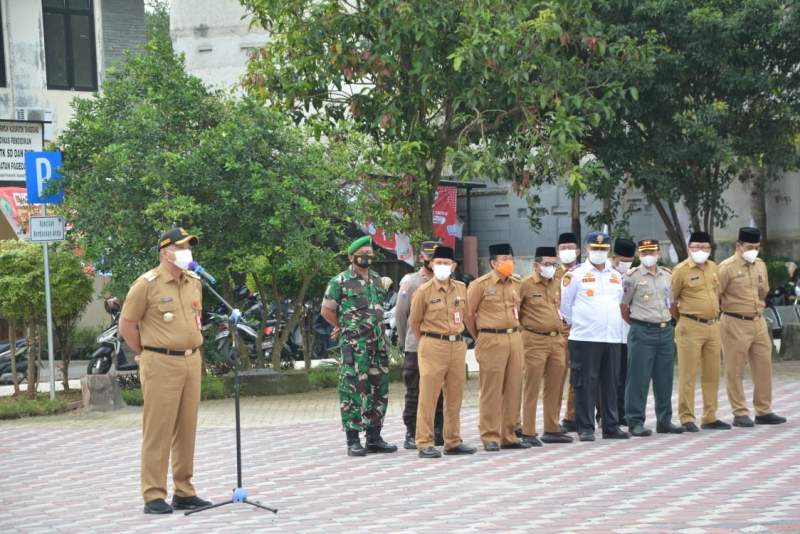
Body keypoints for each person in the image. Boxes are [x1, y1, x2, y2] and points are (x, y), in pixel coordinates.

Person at [119, 227, 211, 514]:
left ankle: (184, 490)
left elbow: (195, 320)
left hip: (191, 360)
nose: (187, 252)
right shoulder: (147, 284)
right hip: (160, 362)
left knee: (187, 427)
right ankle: (153, 494)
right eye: (181, 247)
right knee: (158, 429)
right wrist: (144, 353)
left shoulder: (194, 281)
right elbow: (127, 324)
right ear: (165, 252)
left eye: (189, 247)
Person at [321, 236, 398, 456]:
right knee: (353, 390)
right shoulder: (340, 281)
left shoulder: (376, 280)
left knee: (378, 389)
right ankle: (353, 439)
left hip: (377, 344)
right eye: (362, 253)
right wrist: (343, 326)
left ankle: (374, 437)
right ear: (351, 257)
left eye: (370, 252)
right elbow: (326, 310)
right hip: (355, 345)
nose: (367, 256)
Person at [408, 245, 478, 458]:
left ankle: (453, 441)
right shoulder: (423, 291)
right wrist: (426, 344)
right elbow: (415, 322)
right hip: (433, 343)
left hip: (456, 345)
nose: (442, 267)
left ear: (454, 265)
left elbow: (466, 316)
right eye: (438, 263)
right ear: (431, 264)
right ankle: (424, 442)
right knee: (428, 396)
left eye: (446, 263)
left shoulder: (460, 288)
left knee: (455, 395)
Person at [560, 231, 629, 441]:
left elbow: (619, 303)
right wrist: (582, 323)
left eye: (603, 249)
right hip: (585, 337)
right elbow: (565, 307)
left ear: (608, 250)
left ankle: (611, 425)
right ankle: (585, 426)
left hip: (612, 338)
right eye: (595, 248)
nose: (599, 252)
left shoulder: (616, 276)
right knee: (584, 383)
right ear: (587, 249)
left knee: (611, 382)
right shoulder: (575, 275)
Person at [718, 227, 787, 427]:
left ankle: (763, 410)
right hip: (734, 321)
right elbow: (716, 295)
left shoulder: (760, 265)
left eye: (756, 247)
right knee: (735, 368)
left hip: (758, 321)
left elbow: (763, 291)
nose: (753, 251)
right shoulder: (726, 268)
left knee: (764, 366)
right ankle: (739, 412)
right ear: (738, 246)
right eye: (749, 247)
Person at [465, 243, 531, 451]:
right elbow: (468, 314)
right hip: (491, 338)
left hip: (514, 337)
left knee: (514, 387)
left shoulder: (516, 283)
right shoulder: (480, 285)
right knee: (491, 390)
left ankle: (508, 435)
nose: (508, 263)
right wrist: (481, 336)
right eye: (503, 259)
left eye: (510, 258)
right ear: (493, 263)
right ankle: (490, 436)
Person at [621, 239, 685, 436]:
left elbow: (673, 303)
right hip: (642, 330)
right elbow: (624, 308)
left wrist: (670, 322)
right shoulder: (632, 277)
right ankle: (635, 421)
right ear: (640, 255)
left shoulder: (667, 275)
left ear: (658, 253)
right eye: (645, 252)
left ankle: (664, 420)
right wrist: (639, 325)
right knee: (638, 378)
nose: (649, 255)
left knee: (664, 378)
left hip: (665, 330)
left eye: (652, 252)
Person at [671, 231, 730, 432]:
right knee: (688, 374)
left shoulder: (713, 267)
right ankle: (687, 417)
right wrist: (683, 319)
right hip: (690, 325)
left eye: (705, 248)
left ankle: (710, 416)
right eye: (696, 247)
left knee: (712, 373)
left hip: (713, 325)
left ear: (710, 249)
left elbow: (716, 293)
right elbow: (670, 300)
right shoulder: (680, 270)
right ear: (689, 249)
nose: (700, 251)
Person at [394, 240, 445, 449]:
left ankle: (438, 429)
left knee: (440, 390)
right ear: (422, 258)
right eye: (429, 256)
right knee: (415, 390)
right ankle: (412, 431)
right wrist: (407, 339)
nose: (433, 261)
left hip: (442, 345)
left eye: (438, 257)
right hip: (417, 345)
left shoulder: (449, 282)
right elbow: (400, 313)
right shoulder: (412, 281)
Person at [519, 246, 572, 446]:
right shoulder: (525, 284)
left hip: (557, 340)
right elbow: (515, 310)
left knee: (555, 386)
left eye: (553, 264)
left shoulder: (557, 283)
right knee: (531, 386)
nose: (550, 267)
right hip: (534, 340)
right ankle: (528, 431)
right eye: (546, 264)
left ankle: (551, 428)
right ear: (536, 265)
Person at [556, 232, 580, 433]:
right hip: (557, 331)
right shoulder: (552, 274)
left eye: (570, 248)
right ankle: (552, 420)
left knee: (578, 375)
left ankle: (572, 416)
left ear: (578, 251)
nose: (567, 252)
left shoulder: (584, 273)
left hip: (579, 330)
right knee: (556, 376)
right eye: (563, 249)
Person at [611, 238, 636, 426]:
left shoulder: (634, 275)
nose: (627, 263)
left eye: (630, 259)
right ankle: (606, 413)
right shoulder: (605, 274)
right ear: (615, 257)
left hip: (628, 332)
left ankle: (623, 412)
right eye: (623, 259)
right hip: (609, 333)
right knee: (610, 377)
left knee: (626, 375)